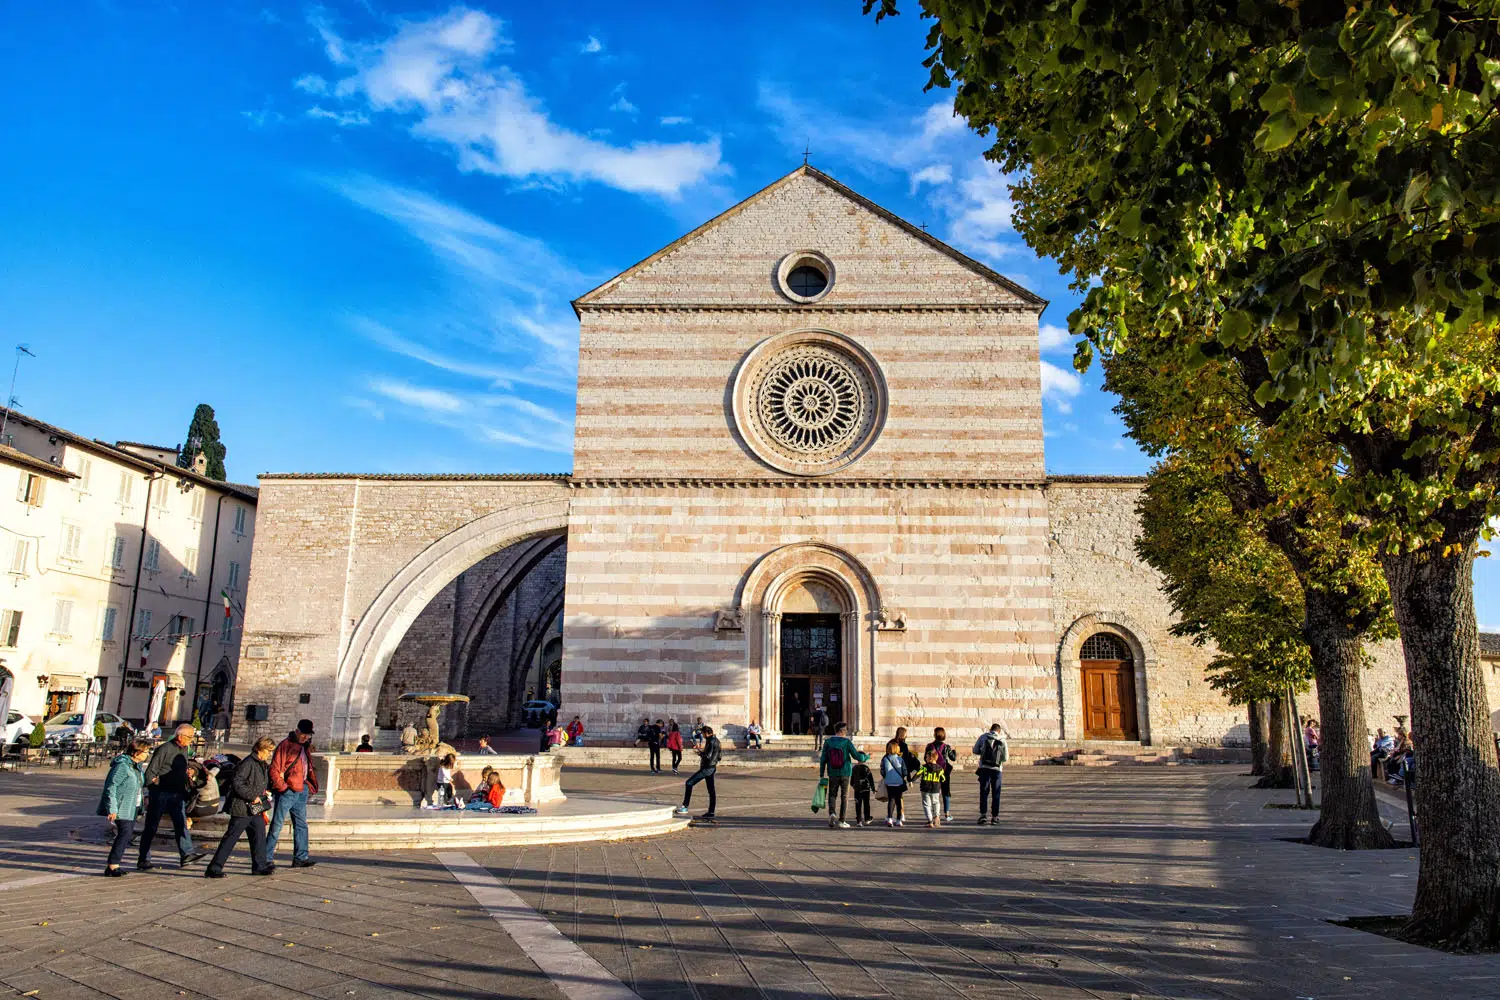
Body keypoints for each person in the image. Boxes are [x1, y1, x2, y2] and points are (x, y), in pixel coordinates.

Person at [137, 723, 206, 871]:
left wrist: (189, 774)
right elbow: (150, 772)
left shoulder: (184, 749)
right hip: (161, 793)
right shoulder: (165, 749)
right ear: (180, 736)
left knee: (181, 823)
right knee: (151, 826)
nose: (191, 740)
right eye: (189, 737)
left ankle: (187, 854)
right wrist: (153, 790)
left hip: (177, 793)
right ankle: (143, 858)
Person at [204, 736, 275, 878]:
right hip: (242, 808)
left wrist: (263, 792)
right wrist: (252, 796)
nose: (270, 754)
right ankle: (214, 868)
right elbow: (237, 783)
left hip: (254, 809)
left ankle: (259, 866)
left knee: (259, 836)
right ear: (261, 749)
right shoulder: (248, 763)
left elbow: (257, 782)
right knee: (231, 837)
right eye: (269, 750)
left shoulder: (261, 763)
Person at [266, 719, 318, 869]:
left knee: (301, 824)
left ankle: (301, 857)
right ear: (297, 731)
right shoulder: (285, 745)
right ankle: (267, 858)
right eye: (303, 734)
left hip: (301, 789)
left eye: (308, 735)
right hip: (288, 791)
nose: (305, 737)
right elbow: (274, 770)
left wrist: (308, 785)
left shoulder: (305, 746)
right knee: (277, 824)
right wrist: (283, 788)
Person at [98, 740, 151, 876]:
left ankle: (114, 864)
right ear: (136, 752)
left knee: (126, 834)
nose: (147, 754)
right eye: (145, 751)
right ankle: (112, 865)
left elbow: (138, 784)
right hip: (122, 807)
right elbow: (111, 787)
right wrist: (112, 808)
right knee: (124, 834)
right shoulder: (122, 766)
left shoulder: (136, 766)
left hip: (133, 807)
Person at [818, 722, 869, 829]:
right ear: (842, 731)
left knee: (832, 795)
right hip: (845, 772)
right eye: (845, 730)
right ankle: (842, 820)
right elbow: (857, 756)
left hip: (832, 772)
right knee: (844, 796)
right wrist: (866, 757)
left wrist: (822, 773)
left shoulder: (828, 742)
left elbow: (823, 759)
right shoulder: (847, 742)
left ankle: (832, 813)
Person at [673, 724, 721, 820]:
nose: (702, 735)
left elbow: (708, 756)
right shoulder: (716, 741)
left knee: (689, 783)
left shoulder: (711, 741)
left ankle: (685, 806)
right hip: (712, 767)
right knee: (711, 790)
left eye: (703, 733)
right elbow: (719, 757)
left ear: (707, 733)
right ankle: (711, 811)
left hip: (707, 768)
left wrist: (699, 752)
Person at [972, 724, 1008, 825]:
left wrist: (983, 753)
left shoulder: (983, 737)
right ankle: (995, 817)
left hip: (984, 768)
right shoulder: (1002, 739)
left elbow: (975, 750)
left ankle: (983, 815)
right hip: (997, 770)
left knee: (984, 792)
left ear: (990, 730)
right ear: (999, 731)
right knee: (996, 793)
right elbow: (1005, 758)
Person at [923, 727, 958, 822]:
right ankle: (947, 813)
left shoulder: (929, 746)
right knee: (946, 792)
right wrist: (954, 752)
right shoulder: (946, 747)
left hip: (932, 772)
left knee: (933, 793)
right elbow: (953, 758)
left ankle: (934, 814)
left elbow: (925, 758)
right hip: (944, 771)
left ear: (934, 735)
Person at [880, 740, 908, 826]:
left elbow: (882, 771)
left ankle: (889, 818)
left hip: (889, 782)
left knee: (891, 801)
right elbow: (904, 771)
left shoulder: (885, 759)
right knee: (898, 801)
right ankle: (899, 820)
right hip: (898, 782)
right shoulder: (900, 759)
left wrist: (886, 776)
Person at [916, 748, 947, 828]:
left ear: (929, 758)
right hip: (936, 789)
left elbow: (917, 774)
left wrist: (911, 780)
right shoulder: (939, 768)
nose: (925, 758)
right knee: (936, 802)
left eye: (926, 757)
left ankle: (929, 820)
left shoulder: (924, 767)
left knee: (927, 804)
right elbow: (943, 778)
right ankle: (936, 816)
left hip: (925, 788)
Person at [850, 757, 876, 827]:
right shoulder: (866, 768)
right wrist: (873, 788)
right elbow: (871, 779)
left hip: (857, 789)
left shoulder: (854, 768)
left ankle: (859, 821)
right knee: (866, 804)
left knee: (858, 805)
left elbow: (851, 781)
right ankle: (867, 819)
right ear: (864, 760)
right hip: (866, 789)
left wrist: (853, 785)